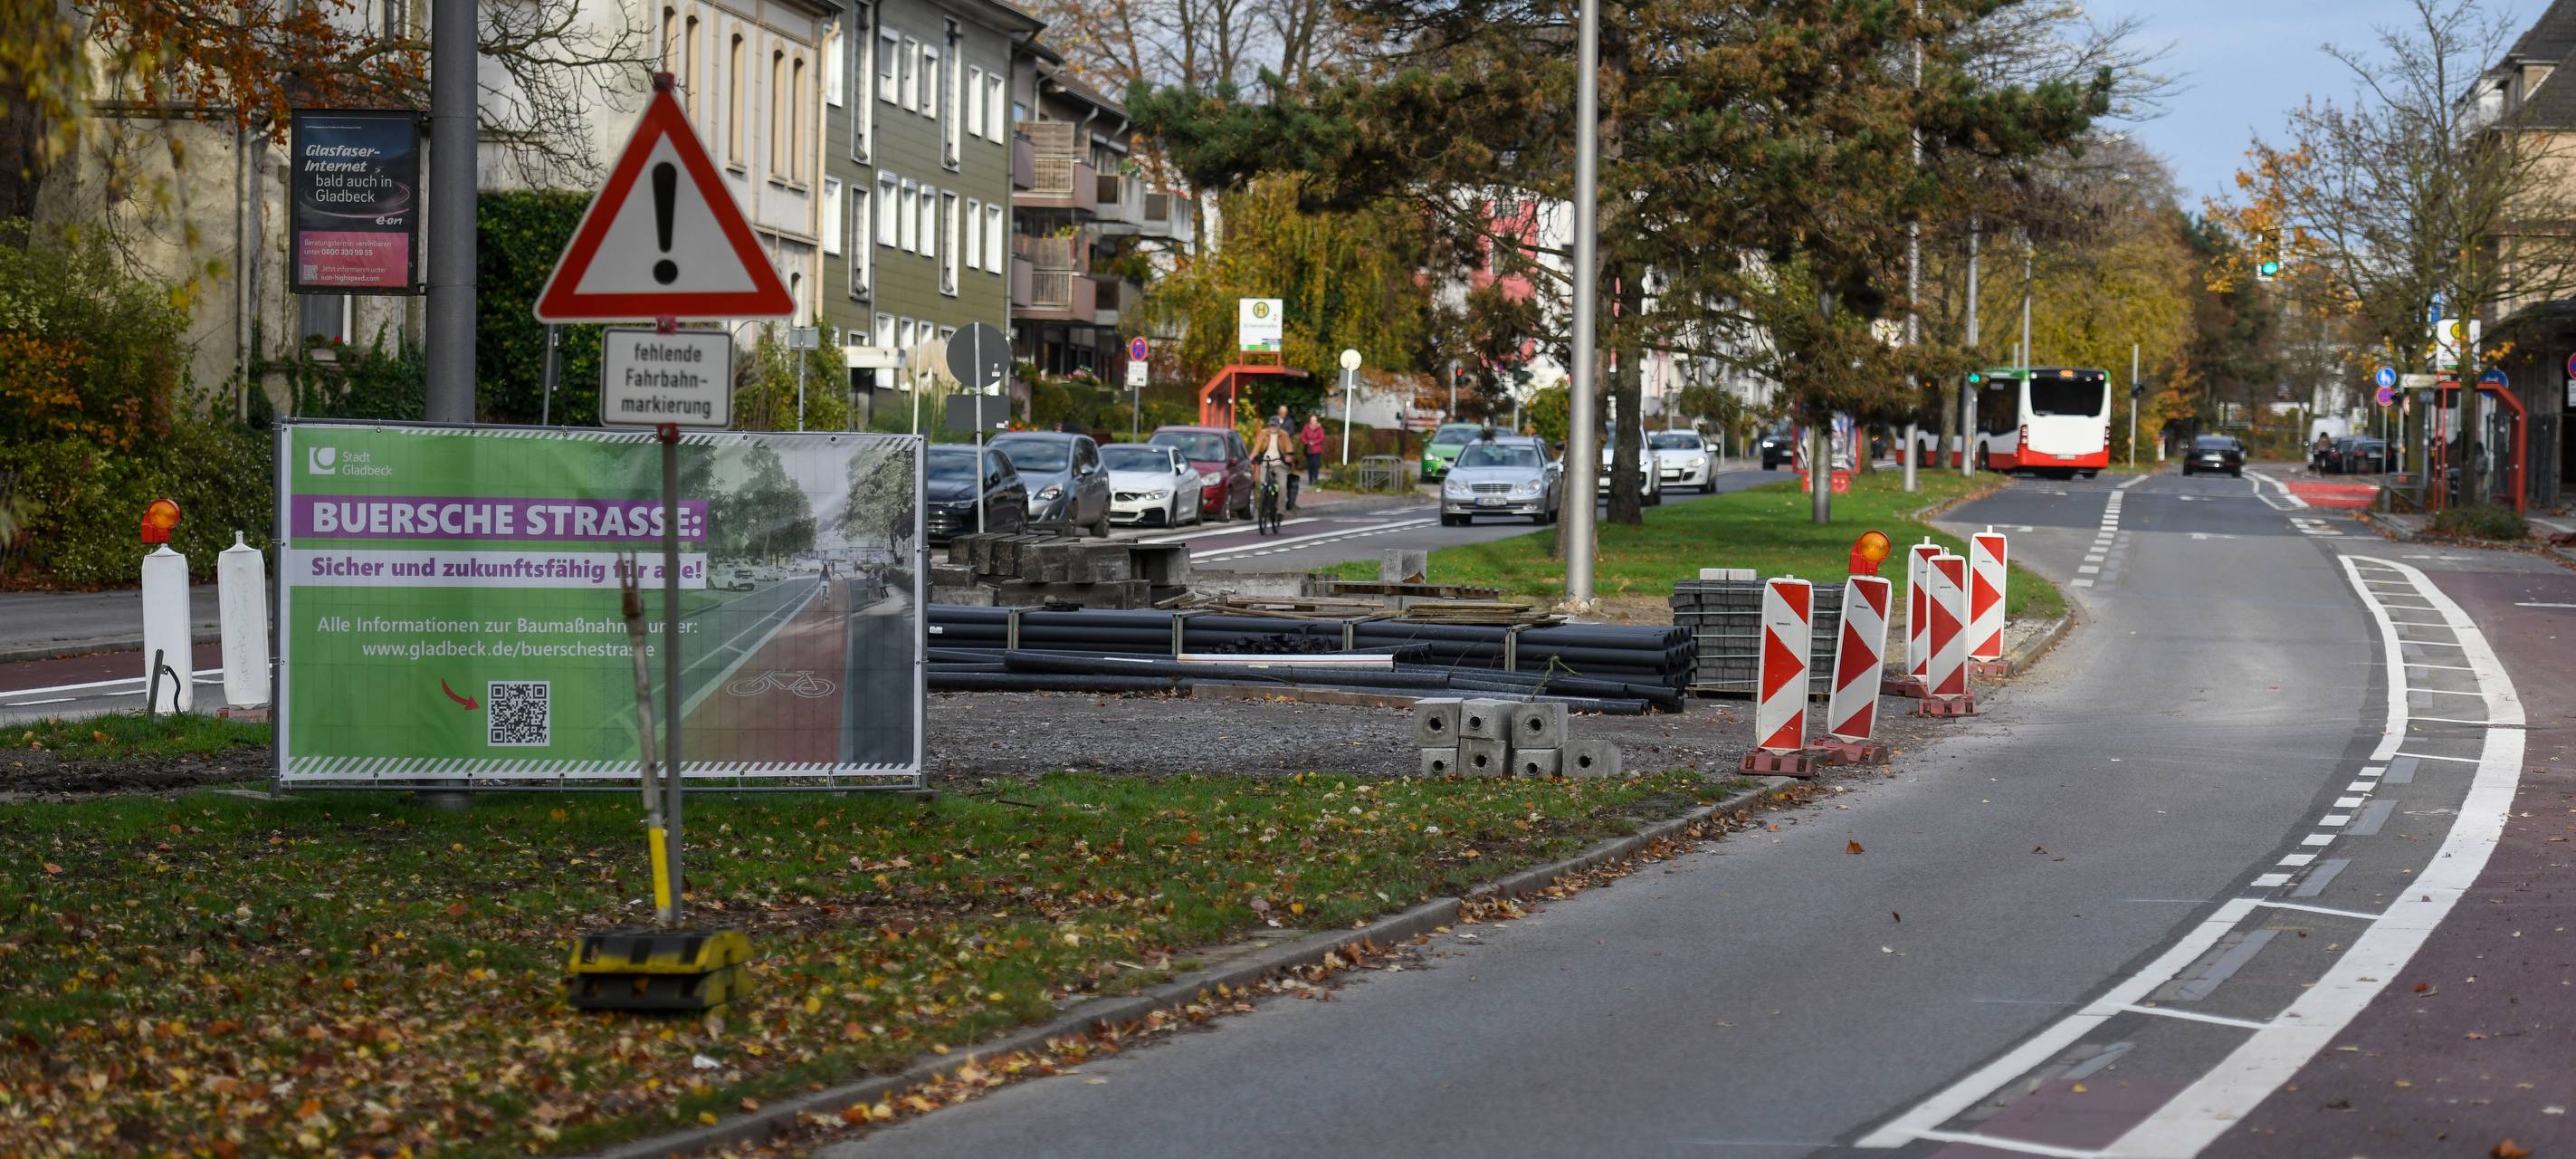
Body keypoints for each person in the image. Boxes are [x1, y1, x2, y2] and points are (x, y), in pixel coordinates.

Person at [1249, 416, 1297, 516]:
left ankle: (1280, 510)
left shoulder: (1284, 435)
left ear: (1279, 426)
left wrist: (1289, 455)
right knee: (1262, 484)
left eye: (1275, 426)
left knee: (1282, 486)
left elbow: (1289, 446)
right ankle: (1263, 505)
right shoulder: (1263, 434)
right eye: (1271, 426)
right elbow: (1257, 446)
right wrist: (1253, 456)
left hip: (1279, 464)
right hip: (1265, 463)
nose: (1273, 428)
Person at [1300, 414, 1328, 489]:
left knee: (1316, 465)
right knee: (1310, 465)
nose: (1313, 422)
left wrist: (1314, 442)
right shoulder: (1306, 427)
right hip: (1309, 450)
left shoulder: (1320, 428)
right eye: (1312, 420)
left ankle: (1315, 479)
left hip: (1317, 450)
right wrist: (1307, 442)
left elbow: (1322, 438)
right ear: (1310, 421)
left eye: (1315, 420)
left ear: (1317, 421)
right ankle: (1310, 480)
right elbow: (1302, 436)